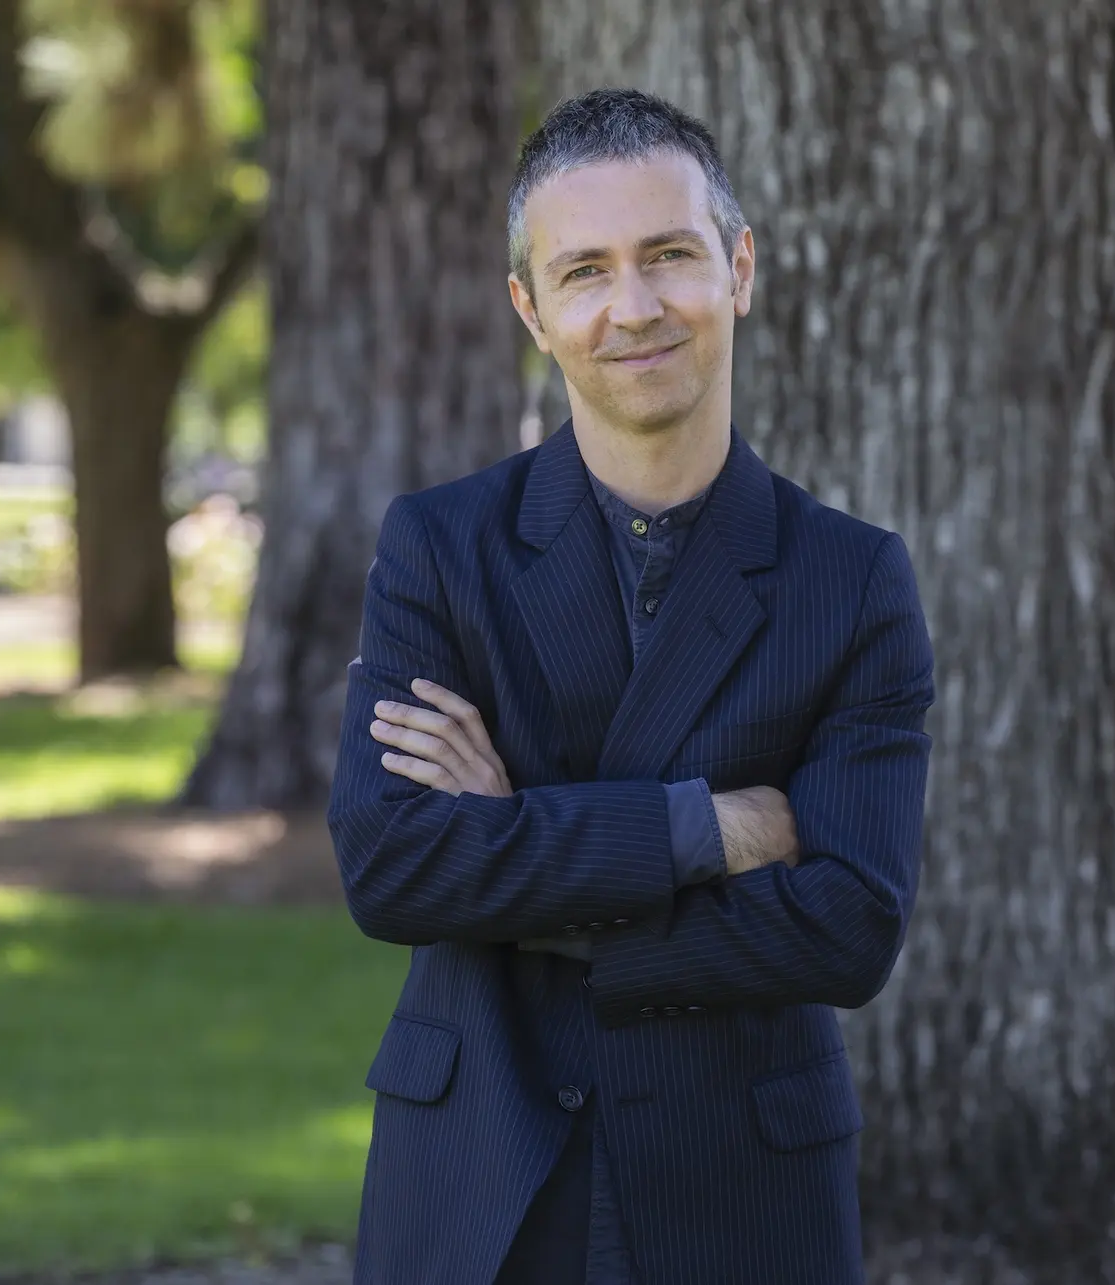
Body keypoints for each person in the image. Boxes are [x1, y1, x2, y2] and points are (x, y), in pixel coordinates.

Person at [325, 87, 936, 1285]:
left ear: (740, 267)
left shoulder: (853, 578)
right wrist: (706, 827)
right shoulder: (441, 546)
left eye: (670, 256)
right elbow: (392, 866)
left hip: (743, 1189)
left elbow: (851, 924)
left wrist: (511, 849)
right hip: (481, 1176)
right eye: (586, 271)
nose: (635, 307)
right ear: (533, 309)